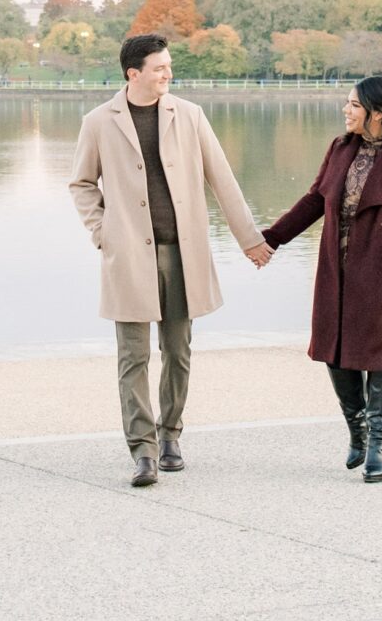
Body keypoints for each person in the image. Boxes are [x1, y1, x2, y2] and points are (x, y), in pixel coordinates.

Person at [67, 32, 272, 487]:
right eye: (160, 67)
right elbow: (82, 184)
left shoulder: (190, 116)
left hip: (184, 254)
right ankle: (141, 450)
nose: (168, 74)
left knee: (178, 352)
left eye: (169, 66)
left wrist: (250, 240)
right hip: (128, 258)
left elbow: (223, 179)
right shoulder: (99, 122)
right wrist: (103, 233)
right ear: (133, 73)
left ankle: (170, 435)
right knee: (133, 357)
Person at [260, 74, 382, 482]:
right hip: (337, 270)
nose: (346, 110)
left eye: (354, 105)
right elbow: (315, 201)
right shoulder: (340, 149)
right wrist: (272, 239)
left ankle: (380, 440)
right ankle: (357, 429)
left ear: (378, 112)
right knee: (335, 348)